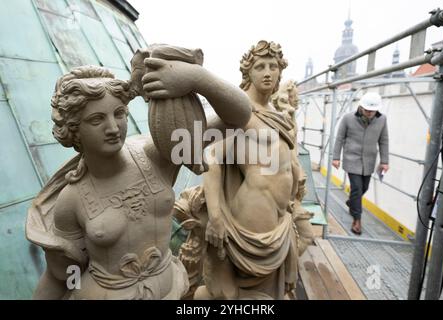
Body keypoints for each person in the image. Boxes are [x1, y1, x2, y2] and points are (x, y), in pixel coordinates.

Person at [26, 51, 252, 300]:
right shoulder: (71, 200)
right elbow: (61, 276)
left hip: (170, 290)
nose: (113, 128)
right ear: (73, 129)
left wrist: (197, 78)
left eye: (119, 114)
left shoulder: (157, 156)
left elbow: (238, 118)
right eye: (97, 119)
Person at [195, 41, 308, 300]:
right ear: (248, 73)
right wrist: (215, 217)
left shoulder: (275, 113)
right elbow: (212, 158)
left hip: (279, 215)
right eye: (260, 67)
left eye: (273, 66)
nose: (268, 72)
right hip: (253, 215)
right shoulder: (239, 110)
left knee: (266, 294)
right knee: (247, 295)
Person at [332, 92, 389, 235]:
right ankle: (357, 220)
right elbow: (339, 138)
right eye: (367, 110)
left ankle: (352, 202)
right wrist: (336, 157)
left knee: (364, 187)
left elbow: (384, 140)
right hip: (352, 159)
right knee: (357, 188)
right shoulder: (348, 118)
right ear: (361, 107)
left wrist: (384, 161)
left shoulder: (382, 120)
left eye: (372, 110)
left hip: (369, 161)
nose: (369, 113)